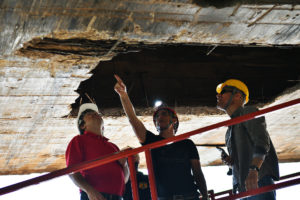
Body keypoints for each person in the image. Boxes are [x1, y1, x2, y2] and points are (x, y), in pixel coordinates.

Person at [114, 75, 208, 200]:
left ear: (174, 120)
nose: (159, 118)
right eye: (157, 116)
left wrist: (205, 196)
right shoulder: (150, 141)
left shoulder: (187, 144)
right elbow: (133, 119)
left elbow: (197, 173)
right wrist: (123, 95)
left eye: (164, 114)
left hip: (189, 196)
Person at [216, 79, 279, 200]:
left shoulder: (248, 112)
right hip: (242, 187)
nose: (218, 95)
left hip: (257, 180)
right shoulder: (229, 130)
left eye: (223, 91)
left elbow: (261, 141)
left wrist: (254, 169)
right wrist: (231, 162)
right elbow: (242, 159)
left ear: (238, 95)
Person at [65, 103, 129, 200]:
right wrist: (90, 191)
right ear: (82, 126)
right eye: (89, 114)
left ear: (103, 126)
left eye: (96, 113)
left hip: (117, 197)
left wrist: (124, 165)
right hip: (94, 196)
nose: (94, 113)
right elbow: (72, 171)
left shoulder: (113, 146)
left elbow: (124, 179)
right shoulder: (78, 140)